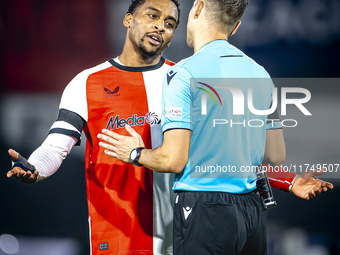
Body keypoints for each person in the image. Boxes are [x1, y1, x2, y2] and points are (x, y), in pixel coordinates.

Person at [97, 0, 334, 254]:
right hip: (252, 214)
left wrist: (135, 152)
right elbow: (275, 156)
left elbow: (173, 160)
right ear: (236, 27)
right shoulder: (261, 75)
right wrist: (289, 181)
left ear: (197, 7)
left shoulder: (183, 74)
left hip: (204, 209)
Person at [7, 0, 181, 254]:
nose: (160, 27)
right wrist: (35, 167)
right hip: (114, 232)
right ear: (128, 19)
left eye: (169, 23)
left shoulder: (184, 81)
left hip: (178, 235)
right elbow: (56, 146)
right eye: (152, 16)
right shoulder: (87, 82)